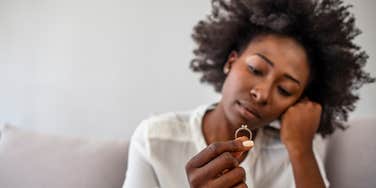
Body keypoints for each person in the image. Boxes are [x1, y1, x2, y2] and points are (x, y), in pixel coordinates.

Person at [123, 0, 374, 187]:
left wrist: (300, 149)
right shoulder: (156, 140)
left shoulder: (297, 149)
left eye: (285, 90)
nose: (263, 94)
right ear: (231, 62)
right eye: (256, 69)